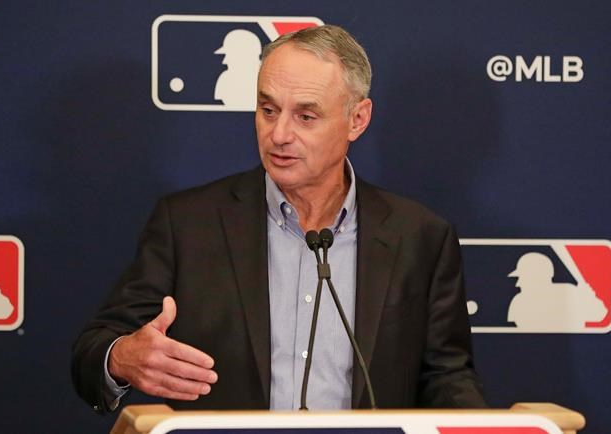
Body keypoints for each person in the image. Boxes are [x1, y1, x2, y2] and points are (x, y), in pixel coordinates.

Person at [72, 24, 485, 413]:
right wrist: (120, 358)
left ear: (357, 119)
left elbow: (447, 377)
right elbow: (93, 353)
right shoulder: (187, 225)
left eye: (306, 116)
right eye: (268, 110)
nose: (279, 134)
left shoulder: (420, 237)